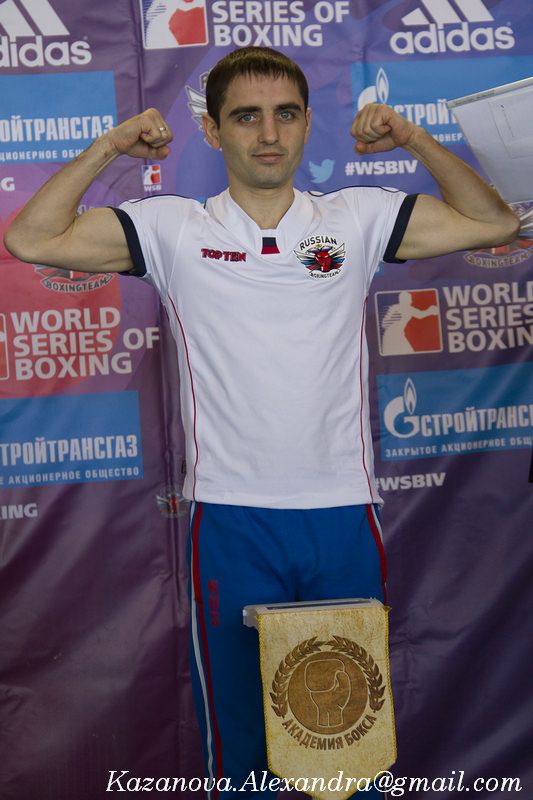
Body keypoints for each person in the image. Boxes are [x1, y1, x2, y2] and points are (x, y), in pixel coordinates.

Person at [4, 47, 519, 799]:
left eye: (285, 115)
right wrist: (111, 145)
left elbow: (492, 221)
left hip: (342, 515)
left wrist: (411, 137)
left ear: (308, 124)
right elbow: (31, 239)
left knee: (346, 750)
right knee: (246, 750)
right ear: (213, 132)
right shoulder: (174, 228)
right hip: (231, 518)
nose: (268, 134)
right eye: (246, 117)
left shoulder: (356, 217)